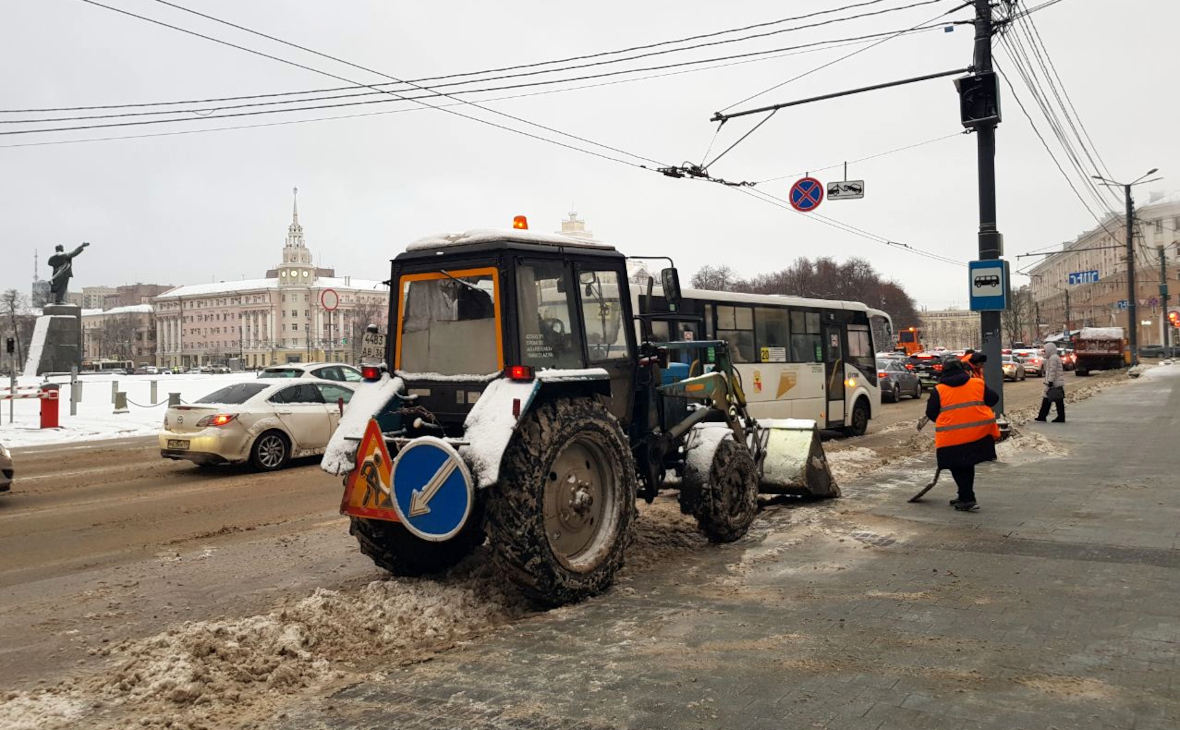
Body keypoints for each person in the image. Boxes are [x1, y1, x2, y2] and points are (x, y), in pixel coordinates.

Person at [925, 358, 1001, 512]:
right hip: (977, 434)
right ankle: (964, 495)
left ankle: (967, 498)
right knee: (967, 464)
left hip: (951, 437)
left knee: (957, 466)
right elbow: (993, 399)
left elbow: (931, 413)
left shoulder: (939, 390)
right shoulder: (977, 383)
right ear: (962, 369)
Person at [1035, 342, 1066, 422]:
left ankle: (1043, 416)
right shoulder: (1053, 358)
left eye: (1045, 351)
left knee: (1051, 399)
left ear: (1050, 350)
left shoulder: (1053, 358)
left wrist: (1050, 381)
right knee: (1055, 400)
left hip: (1054, 384)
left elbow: (1052, 371)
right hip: (1055, 383)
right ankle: (1044, 416)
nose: (1044, 353)